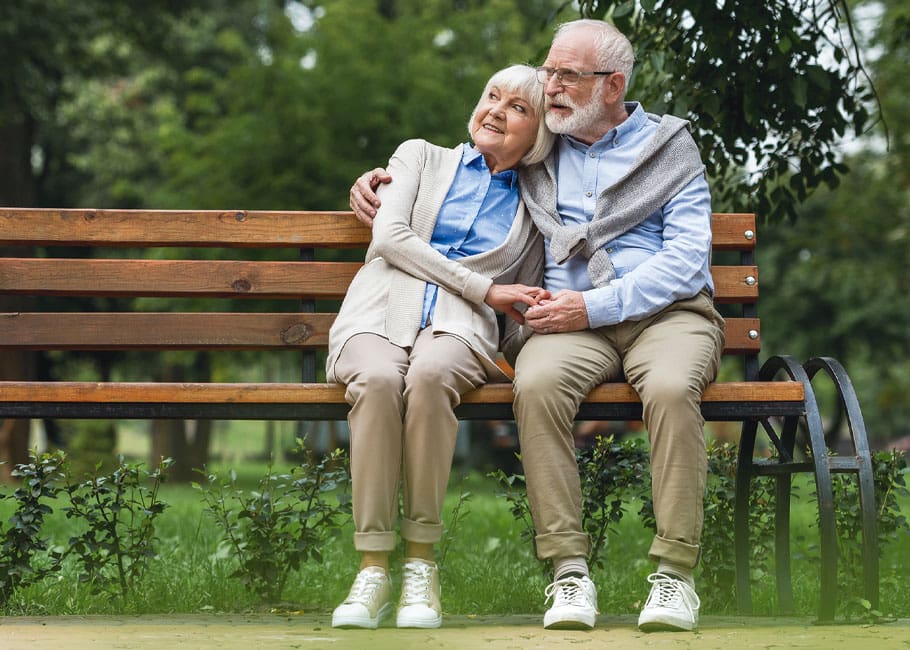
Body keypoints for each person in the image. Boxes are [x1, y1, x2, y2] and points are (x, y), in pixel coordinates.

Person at [349, 20, 725, 634]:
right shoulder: (543, 152)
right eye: (548, 72)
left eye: (566, 76)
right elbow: (474, 159)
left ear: (613, 85)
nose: (550, 86)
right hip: (568, 323)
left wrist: (593, 306)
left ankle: (675, 575)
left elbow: (686, 262)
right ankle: (568, 572)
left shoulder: (668, 148)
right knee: (537, 385)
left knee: (669, 388)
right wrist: (374, 184)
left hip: (667, 315)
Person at [328, 64, 555, 630]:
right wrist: (488, 289)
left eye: (519, 108)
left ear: (541, 134)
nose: (498, 110)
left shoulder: (538, 203)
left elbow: (524, 297)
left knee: (429, 379)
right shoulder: (420, 156)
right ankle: (374, 568)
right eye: (492, 96)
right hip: (378, 308)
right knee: (379, 382)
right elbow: (390, 237)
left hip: (459, 327)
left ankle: (421, 567)